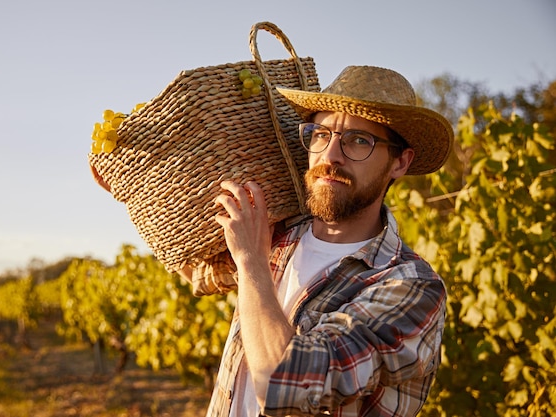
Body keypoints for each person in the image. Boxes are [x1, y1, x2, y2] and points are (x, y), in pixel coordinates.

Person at [186, 65, 454, 417]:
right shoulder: (280, 235)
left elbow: (282, 383)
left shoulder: (410, 287)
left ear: (400, 163)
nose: (330, 156)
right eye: (320, 135)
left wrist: (251, 263)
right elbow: (197, 274)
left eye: (359, 140)